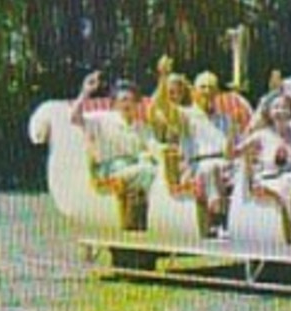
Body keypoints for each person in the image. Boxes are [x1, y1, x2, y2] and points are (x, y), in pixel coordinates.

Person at [151, 61, 241, 235]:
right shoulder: (186, 115)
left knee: (245, 171)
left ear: (217, 93)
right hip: (197, 167)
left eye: (211, 88)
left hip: (226, 164)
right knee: (211, 169)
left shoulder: (226, 119)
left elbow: (233, 150)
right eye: (203, 87)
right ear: (194, 91)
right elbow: (162, 105)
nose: (207, 92)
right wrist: (163, 78)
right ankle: (219, 220)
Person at [70, 71, 159, 229]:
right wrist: (85, 92)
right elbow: (74, 118)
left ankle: (141, 219)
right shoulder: (102, 119)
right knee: (148, 170)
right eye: (123, 99)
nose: (127, 104)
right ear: (115, 103)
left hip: (137, 170)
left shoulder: (142, 127)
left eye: (131, 100)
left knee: (155, 170)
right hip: (112, 170)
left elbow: (155, 148)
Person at [237, 92, 291, 233]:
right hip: (270, 179)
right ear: (269, 112)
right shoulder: (261, 135)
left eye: (284, 107)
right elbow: (235, 152)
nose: (280, 111)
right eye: (276, 107)